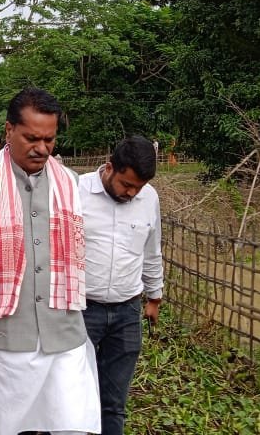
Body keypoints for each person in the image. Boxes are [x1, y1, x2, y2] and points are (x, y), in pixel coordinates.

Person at [0, 88, 100, 434]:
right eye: (31, 138)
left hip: (61, 337)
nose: (42, 148)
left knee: (69, 422)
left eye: (49, 139)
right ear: (9, 129)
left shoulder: (70, 184)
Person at [80, 135, 163, 435]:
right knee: (74, 396)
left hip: (127, 313)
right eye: (126, 184)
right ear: (110, 167)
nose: (131, 193)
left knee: (114, 401)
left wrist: (154, 296)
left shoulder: (149, 197)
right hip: (80, 311)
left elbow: (152, 250)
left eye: (137, 188)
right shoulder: (78, 191)